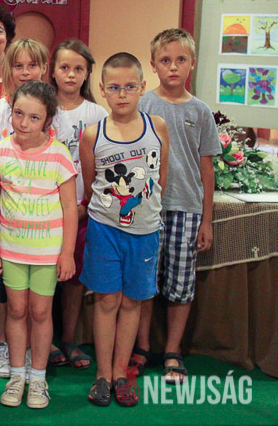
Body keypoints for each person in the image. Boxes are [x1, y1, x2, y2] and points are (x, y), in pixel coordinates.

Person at [79, 52, 169, 407]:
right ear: (102, 90)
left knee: (132, 302)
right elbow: (92, 186)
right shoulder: (93, 134)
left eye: (130, 87)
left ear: (142, 87)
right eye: (114, 87)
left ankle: (121, 373)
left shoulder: (157, 127)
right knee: (107, 301)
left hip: (145, 231)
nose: (122, 94)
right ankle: (103, 374)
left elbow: (161, 177)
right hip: (105, 230)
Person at [133, 29, 221, 384]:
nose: (173, 67)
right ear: (153, 65)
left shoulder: (200, 111)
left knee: (180, 284)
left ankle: (172, 351)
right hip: (148, 208)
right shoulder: (143, 105)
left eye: (180, 60)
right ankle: (141, 348)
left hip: (186, 208)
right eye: (166, 60)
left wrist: (207, 220)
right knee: (144, 282)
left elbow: (206, 168)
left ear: (192, 64)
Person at [0, 81, 78, 409]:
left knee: (40, 312)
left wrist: (67, 253)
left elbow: (70, 208)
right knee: (16, 310)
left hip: (48, 253)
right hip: (11, 250)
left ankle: (38, 378)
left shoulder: (59, 154)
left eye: (34, 117)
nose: (24, 123)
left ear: (48, 121)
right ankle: (17, 375)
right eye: (19, 114)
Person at [0, 37, 49, 379]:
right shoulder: (0, 109)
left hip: (40, 220)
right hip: (6, 214)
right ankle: (1, 343)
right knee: (3, 289)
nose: (25, 72)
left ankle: (32, 348)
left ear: (43, 69)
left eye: (32, 65)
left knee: (37, 297)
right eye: (18, 65)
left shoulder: (51, 110)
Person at [47, 39, 107, 369]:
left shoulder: (97, 114)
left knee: (73, 278)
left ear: (87, 74)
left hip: (83, 209)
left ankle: (68, 339)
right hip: (42, 210)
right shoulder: (43, 107)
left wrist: (87, 205)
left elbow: (105, 167)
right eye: (65, 67)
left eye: (78, 68)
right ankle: (45, 339)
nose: (71, 74)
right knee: (43, 279)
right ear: (53, 71)